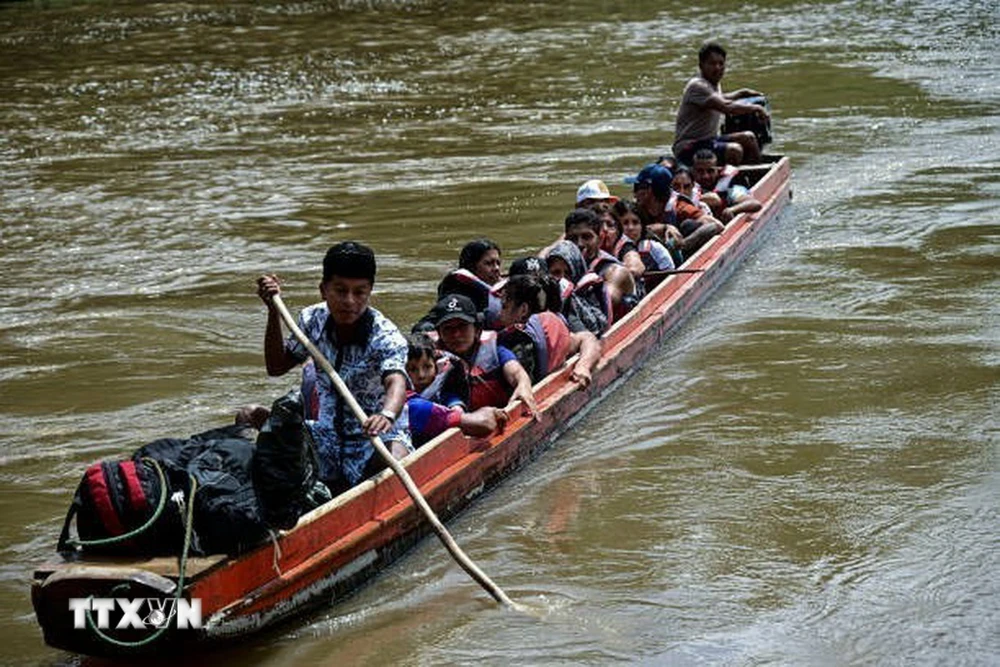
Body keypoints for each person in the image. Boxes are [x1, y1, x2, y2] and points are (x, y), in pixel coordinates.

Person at [256, 241, 411, 495]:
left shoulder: (385, 335)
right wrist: (273, 313)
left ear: (370, 292)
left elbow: (396, 380)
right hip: (326, 438)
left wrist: (386, 415)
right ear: (323, 290)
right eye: (340, 291)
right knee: (251, 416)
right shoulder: (311, 320)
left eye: (359, 292)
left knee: (395, 459)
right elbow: (276, 367)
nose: (350, 301)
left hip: (373, 439)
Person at [431, 293, 538, 416]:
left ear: (477, 330)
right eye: (448, 329)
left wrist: (523, 385)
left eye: (462, 326)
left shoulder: (495, 351)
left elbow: (515, 371)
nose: (456, 334)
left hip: (497, 415)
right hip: (450, 419)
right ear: (439, 333)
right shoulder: (430, 359)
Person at [494, 274, 601, 389]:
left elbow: (587, 338)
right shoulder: (550, 329)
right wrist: (583, 366)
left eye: (504, 307)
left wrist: (583, 366)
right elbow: (587, 338)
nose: (499, 314)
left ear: (523, 310)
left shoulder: (517, 341)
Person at [672, 41, 768, 166]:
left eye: (721, 64)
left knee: (748, 137)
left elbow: (720, 99)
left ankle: (755, 175)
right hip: (689, 147)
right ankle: (729, 182)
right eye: (712, 63)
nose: (717, 67)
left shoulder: (713, 83)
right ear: (701, 65)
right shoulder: (698, 85)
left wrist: (741, 93)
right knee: (734, 150)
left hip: (708, 140)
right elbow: (726, 107)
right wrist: (756, 108)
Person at [403, 333, 508, 446]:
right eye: (412, 369)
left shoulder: (443, 391)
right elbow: (483, 423)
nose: (421, 375)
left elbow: (453, 403)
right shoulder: (408, 403)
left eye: (427, 367)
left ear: (435, 365)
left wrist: (457, 408)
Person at [626, 162, 723, 261]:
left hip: (677, 257)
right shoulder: (636, 209)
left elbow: (717, 225)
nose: (634, 194)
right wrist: (663, 228)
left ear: (648, 191)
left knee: (689, 225)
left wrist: (683, 245)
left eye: (637, 188)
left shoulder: (681, 208)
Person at [563, 207, 637, 320]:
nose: (579, 244)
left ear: (600, 238)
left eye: (586, 237)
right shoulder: (563, 266)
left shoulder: (616, 272)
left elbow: (602, 306)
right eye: (573, 238)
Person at [544, 240, 612, 336]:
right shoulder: (543, 294)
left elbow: (598, 327)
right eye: (556, 272)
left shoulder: (589, 290)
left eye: (567, 273)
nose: (562, 279)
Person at [612, 199, 676, 292]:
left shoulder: (655, 249)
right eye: (625, 223)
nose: (631, 228)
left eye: (635, 222)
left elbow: (670, 277)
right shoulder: (611, 250)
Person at [692, 148, 762, 223]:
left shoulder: (730, 187)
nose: (705, 176)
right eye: (700, 171)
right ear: (693, 171)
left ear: (717, 170)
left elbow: (755, 204)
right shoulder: (685, 185)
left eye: (710, 171)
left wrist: (732, 210)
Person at [593, 202, 646, 287]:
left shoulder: (625, 246)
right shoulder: (583, 245)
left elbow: (635, 267)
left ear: (618, 231)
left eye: (610, 225)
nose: (605, 229)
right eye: (599, 225)